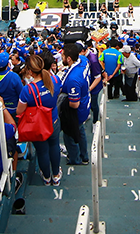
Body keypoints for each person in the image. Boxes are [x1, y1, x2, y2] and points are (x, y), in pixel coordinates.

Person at [19, 54, 61, 184]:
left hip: (38, 125)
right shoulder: (55, 80)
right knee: (54, 146)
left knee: (42, 151)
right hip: (53, 121)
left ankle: (47, 177)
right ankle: (56, 175)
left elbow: (19, 110)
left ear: (30, 71)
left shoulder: (28, 90)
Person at [59, 42, 91, 165]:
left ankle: (74, 158)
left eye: (63, 56)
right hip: (85, 103)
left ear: (69, 58)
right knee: (80, 130)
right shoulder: (83, 60)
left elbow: (74, 104)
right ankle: (84, 156)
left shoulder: (73, 79)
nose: (61, 58)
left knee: (69, 134)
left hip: (77, 109)